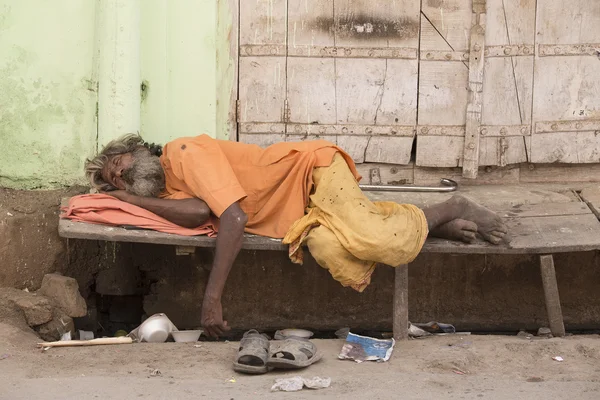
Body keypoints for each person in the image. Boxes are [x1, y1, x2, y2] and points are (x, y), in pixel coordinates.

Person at [84, 134, 508, 338]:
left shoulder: (181, 153)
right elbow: (197, 212)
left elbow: (230, 216)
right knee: (340, 256)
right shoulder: (171, 193)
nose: (122, 174)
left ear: (139, 148)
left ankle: (453, 207)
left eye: (119, 162)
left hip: (313, 174)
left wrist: (211, 300)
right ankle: (428, 222)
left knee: (375, 240)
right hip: (301, 216)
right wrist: (135, 201)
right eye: (115, 180)